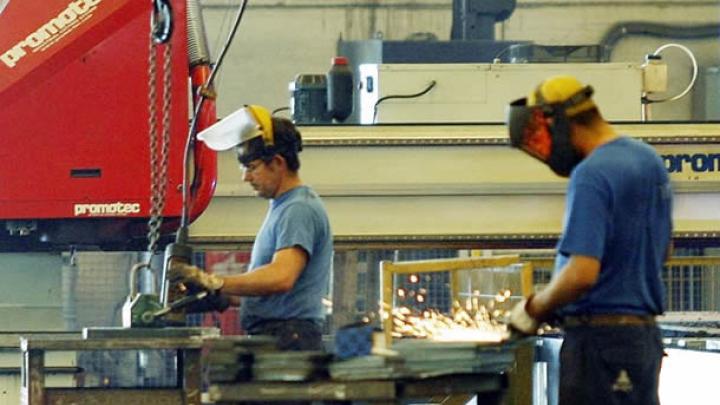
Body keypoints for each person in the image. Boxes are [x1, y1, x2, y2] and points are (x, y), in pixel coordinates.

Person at [506, 76, 672, 405]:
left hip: (599, 345)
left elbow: (581, 273)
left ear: (556, 122)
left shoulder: (592, 173)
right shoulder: (648, 160)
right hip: (643, 341)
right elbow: (664, 250)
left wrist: (533, 309)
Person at [173, 105, 333, 351]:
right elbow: (276, 294)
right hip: (281, 337)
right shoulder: (284, 207)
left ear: (277, 163)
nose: (245, 177)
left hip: (289, 341)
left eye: (252, 167)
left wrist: (216, 281)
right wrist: (219, 296)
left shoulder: (297, 209)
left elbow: (281, 277)